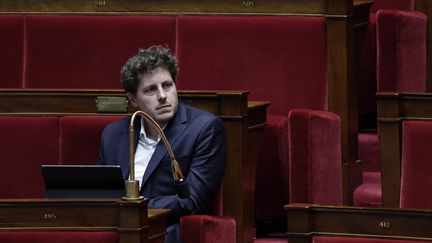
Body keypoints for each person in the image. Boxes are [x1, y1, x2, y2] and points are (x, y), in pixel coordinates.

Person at [98, 45, 227, 243]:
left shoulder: (205, 128)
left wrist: (135, 207)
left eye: (167, 85)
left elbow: (193, 201)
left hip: (165, 232)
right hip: (115, 230)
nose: (162, 96)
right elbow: (101, 195)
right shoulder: (113, 135)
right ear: (133, 99)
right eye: (151, 90)